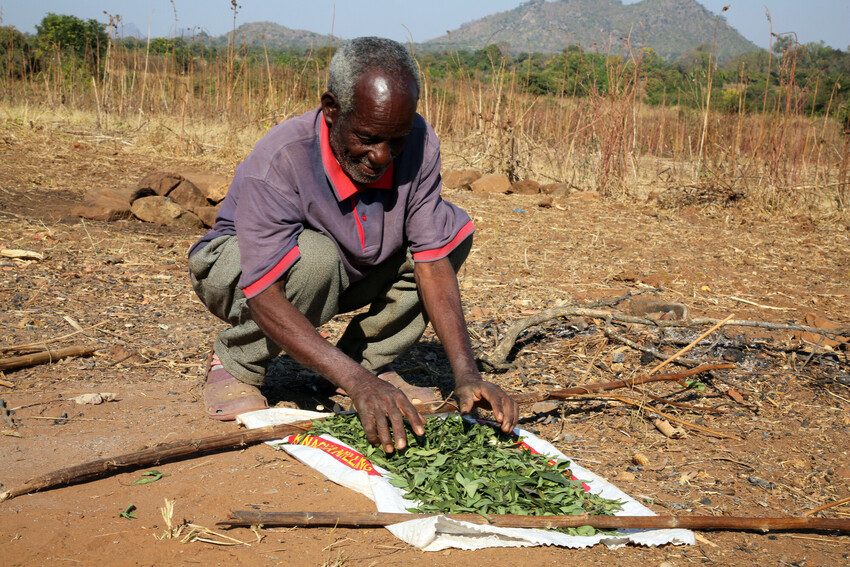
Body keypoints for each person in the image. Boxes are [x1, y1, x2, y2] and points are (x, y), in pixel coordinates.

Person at [188, 37, 518, 453]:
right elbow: (262, 292)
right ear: (331, 109)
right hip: (238, 267)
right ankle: (237, 363)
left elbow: (432, 263)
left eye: (395, 140)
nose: (382, 156)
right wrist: (360, 387)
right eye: (367, 137)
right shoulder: (284, 157)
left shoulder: (418, 142)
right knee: (314, 258)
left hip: (347, 264)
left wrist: (466, 375)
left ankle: (362, 362)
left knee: (450, 233)